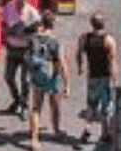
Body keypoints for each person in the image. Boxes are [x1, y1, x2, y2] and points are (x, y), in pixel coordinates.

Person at [25, 11, 69, 148]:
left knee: (36, 107)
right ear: (52, 24)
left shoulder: (33, 39)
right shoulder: (55, 41)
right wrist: (67, 84)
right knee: (54, 104)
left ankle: (34, 139)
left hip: (37, 76)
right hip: (51, 78)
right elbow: (62, 64)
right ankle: (56, 130)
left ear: (42, 23)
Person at [75, 11, 119, 133]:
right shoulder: (109, 40)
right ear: (103, 24)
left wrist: (80, 66)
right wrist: (115, 79)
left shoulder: (85, 38)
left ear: (92, 24)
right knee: (105, 106)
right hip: (105, 76)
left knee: (91, 104)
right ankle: (105, 132)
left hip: (92, 76)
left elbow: (79, 53)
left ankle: (87, 127)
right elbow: (113, 61)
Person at [0, 0, 37, 117]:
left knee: (25, 79)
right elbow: (3, 23)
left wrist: (27, 33)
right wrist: (5, 35)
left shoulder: (32, 12)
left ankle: (24, 105)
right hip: (12, 48)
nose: (20, 1)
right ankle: (16, 100)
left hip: (26, 50)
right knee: (8, 76)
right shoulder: (9, 7)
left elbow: (37, 30)